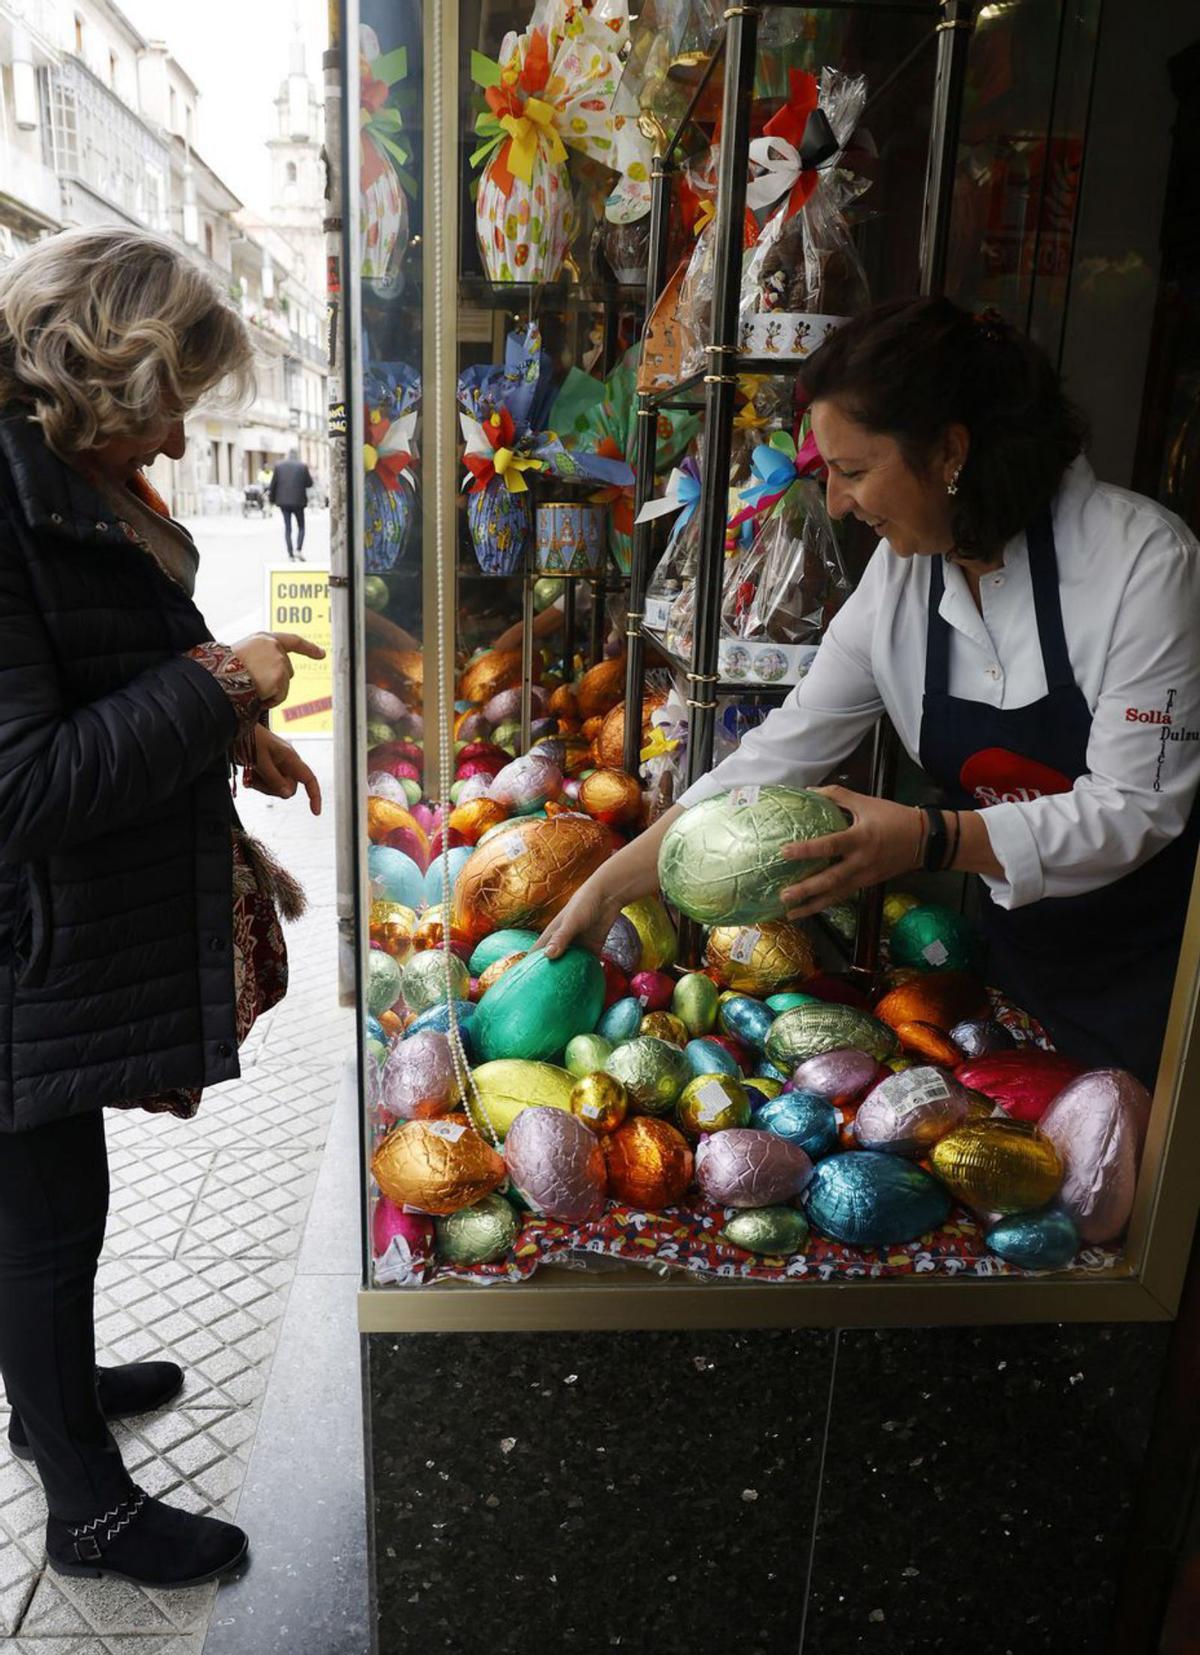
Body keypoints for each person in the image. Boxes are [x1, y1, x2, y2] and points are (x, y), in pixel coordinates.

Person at [542, 297, 1200, 1089]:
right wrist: (608, 885)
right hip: (1019, 966)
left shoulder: (1145, 565)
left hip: (1154, 981)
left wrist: (931, 840)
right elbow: (778, 755)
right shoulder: (902, 578)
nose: (839, 504)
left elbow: (1135, 808)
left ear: (950, 452)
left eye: (854, 471)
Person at [0, 226, 325, 1588]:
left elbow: (84, 679)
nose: (185, 438)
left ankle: (46, 1391)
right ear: (108, 369)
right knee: (43, 1205)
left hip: (39, 937)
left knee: (49, 1197)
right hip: (18, 939)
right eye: (174, 396)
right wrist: (220, 689)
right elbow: (20, 781)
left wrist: (221, 732)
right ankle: (86, 1501)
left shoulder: (57, 480)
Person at [267, 448, 313, 559]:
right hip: (299, 502)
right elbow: (309, 483)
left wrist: (271, 500)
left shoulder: (279, 466)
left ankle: (290, 554)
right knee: (301, 526)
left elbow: (273, 485)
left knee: (288, 528)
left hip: (283, 502)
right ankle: (298, 549)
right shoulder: (302, 466)